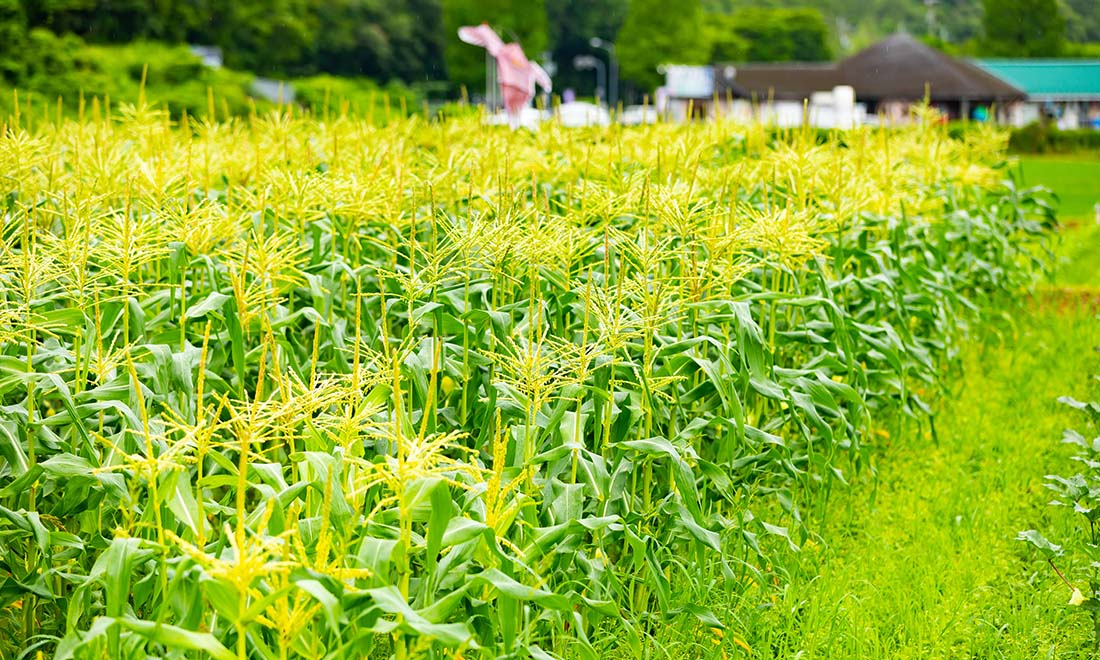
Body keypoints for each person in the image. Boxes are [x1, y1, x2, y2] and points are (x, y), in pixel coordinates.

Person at [459, 24, 552, 129]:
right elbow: (539, 74)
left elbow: (491, 41)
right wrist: (546, 85)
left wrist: (483, 30)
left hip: (510, 85)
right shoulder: (527, 64)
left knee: (513, 112)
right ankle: (517, 127)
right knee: (517, 112)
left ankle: (515, 127)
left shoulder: (503, 53)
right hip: (523, 88)